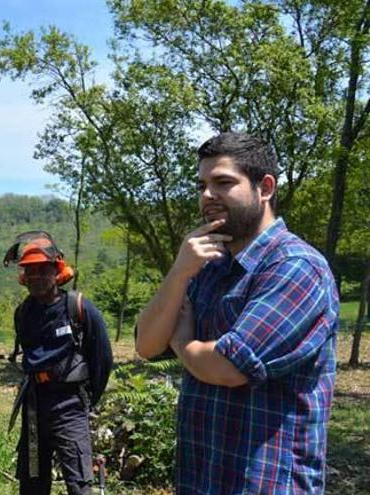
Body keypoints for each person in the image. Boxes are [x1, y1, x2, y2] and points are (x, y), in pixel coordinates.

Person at [135, 132, 339, 493]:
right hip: (202, 478)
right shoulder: (207, 267)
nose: (207, 195)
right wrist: (180, 271)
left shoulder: (296, 267)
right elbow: (147, 344)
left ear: (265, 188)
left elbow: (229, 367)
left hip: (267, 482)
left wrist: (183, 343)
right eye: (202, 185)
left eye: (223, 182)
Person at [3, 231, 113, 495]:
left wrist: (87, 399)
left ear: (57, 271)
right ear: (23, 276)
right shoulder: (23, 313)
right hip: (34, 405)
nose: (36, 277)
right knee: (32, 480)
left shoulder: (78, 308)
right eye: (30, 271)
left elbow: (103, 360)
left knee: (79, 482)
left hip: (69, 406)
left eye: (43, 270)